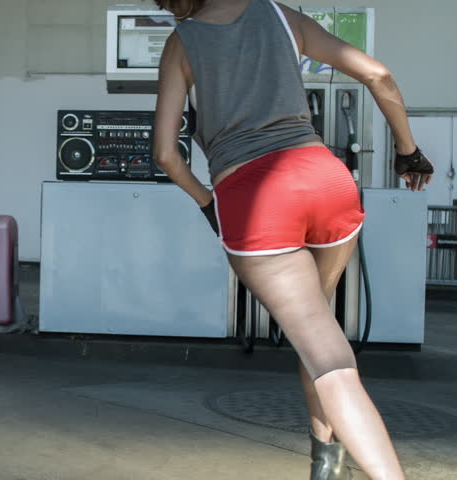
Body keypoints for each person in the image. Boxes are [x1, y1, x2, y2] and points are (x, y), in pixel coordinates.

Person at [152, 0, 434, 479]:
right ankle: (325, 460)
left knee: (331, 360)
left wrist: (209, 205)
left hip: (256, 197)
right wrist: (408, 153)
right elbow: (378, 75)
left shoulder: (183, 42)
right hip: (326, 180)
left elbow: (165, 153)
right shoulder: (280, 14)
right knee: (320, 331)